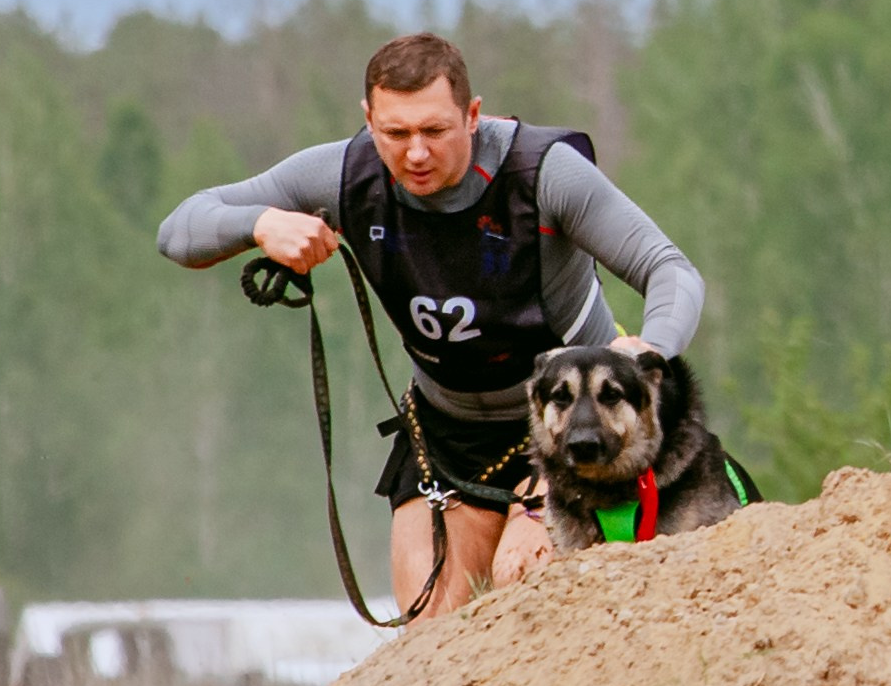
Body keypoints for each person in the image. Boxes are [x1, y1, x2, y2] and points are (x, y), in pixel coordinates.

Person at [156, 33, 703, 617]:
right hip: (445, 432)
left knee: (522, 588)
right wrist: (261, 223)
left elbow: (669, 269)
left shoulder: (545, 173)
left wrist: (652, 350)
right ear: (368, 121)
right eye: (395, 133)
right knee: (433, 626)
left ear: (472, 115)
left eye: (435, 131)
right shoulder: (341, 175)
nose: (415, 153)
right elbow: (180, 230)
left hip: (570, 427)